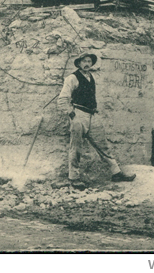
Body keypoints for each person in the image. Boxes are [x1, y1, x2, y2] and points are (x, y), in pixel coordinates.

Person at [58, 52, 136, 190]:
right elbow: (63, 99)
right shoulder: (72, 78)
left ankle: (116, 173)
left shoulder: (91, 77)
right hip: (79, 115)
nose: (87, 63)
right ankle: (74, 178)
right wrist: (72, 115)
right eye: (84, 61)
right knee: (75, 148)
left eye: (89, 61)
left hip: (92, 116)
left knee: (103, 146)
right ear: (79, 63)